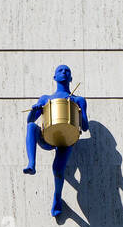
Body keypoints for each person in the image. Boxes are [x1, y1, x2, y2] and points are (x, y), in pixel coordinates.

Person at [24, 63, 88, 216]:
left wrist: (79, 113)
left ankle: (57, 197)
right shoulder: (46, 98)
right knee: (32, 127)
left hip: (67, 138)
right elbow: (30, 119)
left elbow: (85, 127)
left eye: (67, 71)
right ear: (55, 77)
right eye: (60, 70)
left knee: (57, 169)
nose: (64, 72)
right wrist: (35, 108)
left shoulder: (79, 99)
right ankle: (32, 163)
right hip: (48, 136)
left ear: (71, 78)